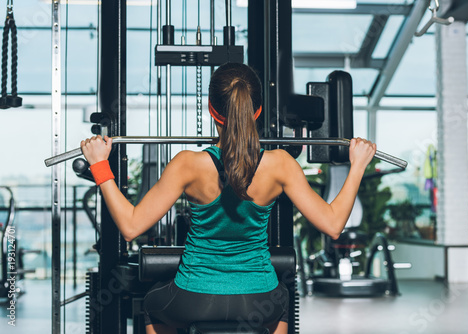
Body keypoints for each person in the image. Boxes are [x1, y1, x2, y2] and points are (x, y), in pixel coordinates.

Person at [81, 62, 376, 334]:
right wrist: (358, 165)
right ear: (257, 111)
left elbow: (131, 226)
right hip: (259, 298)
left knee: (152, 306)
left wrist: (99, 165)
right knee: (281, 301)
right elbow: (334, 224)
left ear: (212, 109)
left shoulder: (187, 164)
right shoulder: (281, 164)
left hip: (193, 297)